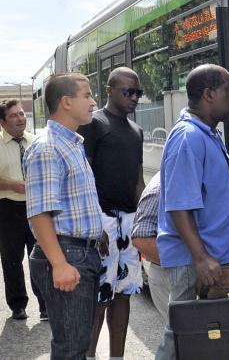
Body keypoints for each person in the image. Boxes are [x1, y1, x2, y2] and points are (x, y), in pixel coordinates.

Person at [155, 64, 229, 360]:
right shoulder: (188, 137)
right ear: (209, 94)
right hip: (200, 259)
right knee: (184, 332)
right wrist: (201, 258)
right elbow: (179, 206)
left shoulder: (208, 133)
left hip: (222, 253)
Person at [24, 73, 106, 360]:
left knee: (78, 345)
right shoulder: (48, 147)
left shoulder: (71, 142)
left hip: (79, 254)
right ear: (66, 102)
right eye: (87, 95)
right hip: (67, 254)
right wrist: (59, 264)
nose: (94, 102)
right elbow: (39, 213)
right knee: (71, 349)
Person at [79, 67, 146, 360]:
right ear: (109, 90)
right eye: (128, 92)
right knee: (100, 296)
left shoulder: (137, 131)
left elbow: (138, 180)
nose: (134, 98)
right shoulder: (93, 124)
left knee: (124, 293)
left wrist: (144, 223)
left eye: (138, 93)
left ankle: (117, 356)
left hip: (130, 222)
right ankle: (89, 355)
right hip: (103, 219)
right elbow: (84, 176)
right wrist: (95, 223)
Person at [0, 100, 45, 321]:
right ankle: (17, 304)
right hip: (8, 208)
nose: (20, 119)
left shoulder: (37, 142)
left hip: (37, 206)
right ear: (3, 122)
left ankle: (46, 305)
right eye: (13, 115)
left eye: (22, 114)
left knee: (42, 256)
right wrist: (10, 185)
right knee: (12, 258)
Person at [130, 173, 170, 320]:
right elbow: (142, 238)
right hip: (168, 273)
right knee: (181, 334)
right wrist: (184, 267)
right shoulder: (160, 187)